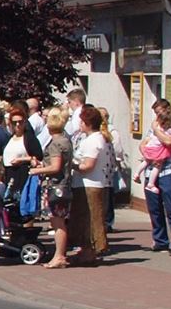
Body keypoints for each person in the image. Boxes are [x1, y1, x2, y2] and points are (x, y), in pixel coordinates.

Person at [139, 99, 171, 254]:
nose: (158, 115)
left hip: (168, 171)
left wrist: (156, 130)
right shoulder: (154, 124)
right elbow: (144, 143)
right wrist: (149, 154)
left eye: (160, 111)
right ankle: (160, 241)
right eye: (155, 112)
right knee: (155, 209)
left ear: (168, 109)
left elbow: (170, 142)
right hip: (151, 169)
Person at [36, 107, 78, 269]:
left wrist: (37, 170)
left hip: (56, 186)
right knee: (59, 221)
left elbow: (55, 167)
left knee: (57, 222)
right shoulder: (66, 140)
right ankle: (59, 255)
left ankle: (60, 255)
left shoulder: (56, 143)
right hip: (64, 185)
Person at [72, 104, 115, 262]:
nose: (79, 124)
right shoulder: (91, 139)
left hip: (91, 184)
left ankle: (93, 250)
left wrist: (72, 165)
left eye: (82, 121)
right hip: (86, 184)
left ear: (87, 123)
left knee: (91, 218)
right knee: (84, 218)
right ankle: (86, 249)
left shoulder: (94, 141)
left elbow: (88, 165)